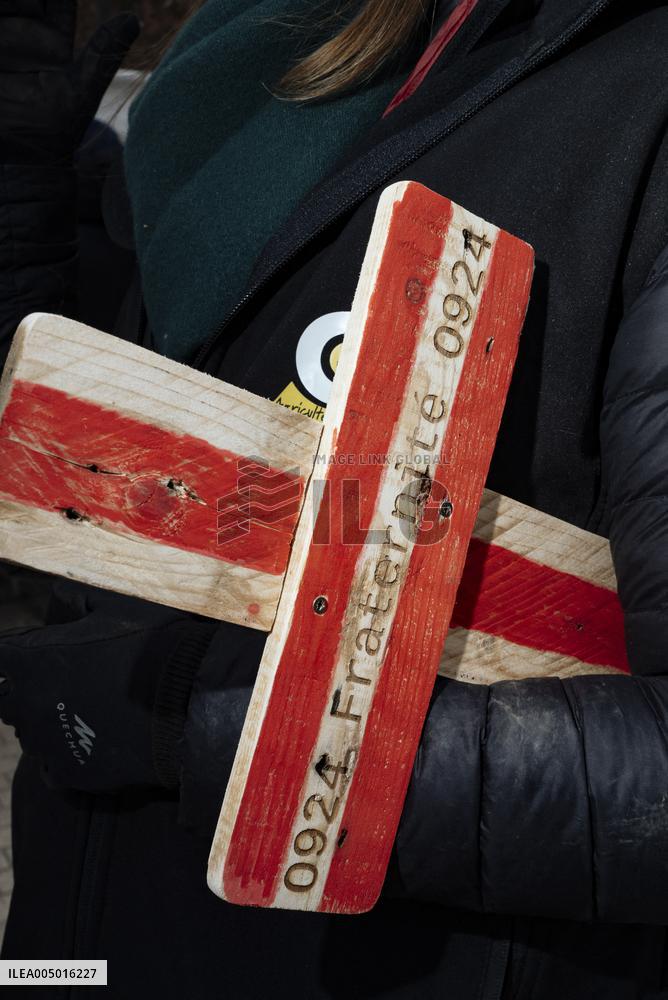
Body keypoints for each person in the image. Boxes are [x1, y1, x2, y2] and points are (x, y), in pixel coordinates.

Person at [1, 1, 668, 997]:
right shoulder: (252, 55)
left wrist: (217, 728)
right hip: (79, 931)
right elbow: (89, 458)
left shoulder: (635, 93)